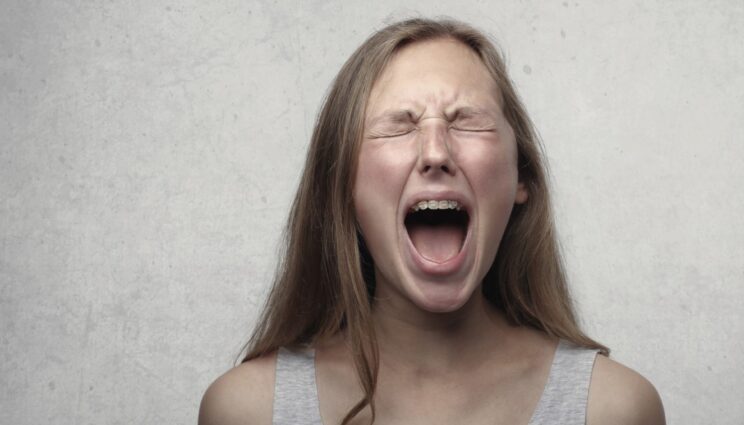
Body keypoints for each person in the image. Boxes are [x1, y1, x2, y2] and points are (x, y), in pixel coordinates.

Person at [199, 18, 665, 425]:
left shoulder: (614, 410)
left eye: (466, 121)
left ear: (521, 176)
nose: (436, 152)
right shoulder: (246, 411)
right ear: (341, 185)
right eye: (399, 125)